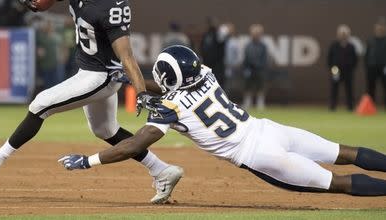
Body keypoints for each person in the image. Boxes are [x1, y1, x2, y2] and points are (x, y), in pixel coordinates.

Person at [0, 0, 183, 204]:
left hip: (100, 75)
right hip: (89, 69)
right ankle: (162, 170)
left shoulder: (111, 4)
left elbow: (127, 56)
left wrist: (141, 93)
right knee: (105, 130)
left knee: (40, 104)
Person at [59, 45, 386, 197]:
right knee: (344, 152)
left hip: (259, 155)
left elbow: (133, 145)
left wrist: (88, 161)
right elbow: (176, 87)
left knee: (336, 183)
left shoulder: (171, 108)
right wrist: (140, 86)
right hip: (269, 129)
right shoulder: (205, 73)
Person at [327, 24, 358, 111]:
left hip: (348, 71)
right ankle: (332, 106)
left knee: (349, 89)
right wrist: (333, 68)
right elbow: (329, 58)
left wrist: (351, 68)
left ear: (348, 35)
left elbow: (355, 59)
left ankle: (350, 106)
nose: (343, 35)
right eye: (341, 33)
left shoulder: (351, 46)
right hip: (336, 70)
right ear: (338, 34)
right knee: (334, 88)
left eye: (345, 34)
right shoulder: (334, 45)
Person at [242, 24, 268, 110]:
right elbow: (246, 58)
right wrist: (246, 69)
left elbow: (264, 59)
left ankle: (260, 103)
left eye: (258, 33)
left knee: (260, 87)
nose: (256, 35)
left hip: (259, 70)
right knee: (248, 87)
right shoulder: (248, 46)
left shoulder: (263, 46)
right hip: (250, 70)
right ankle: (247, 103)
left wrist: (259, 66)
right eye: (254, 33)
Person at [365, 18, 386, 109]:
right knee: (370, 88)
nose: (380, 29)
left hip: (384, 68)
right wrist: (367, 66)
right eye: (378, 27)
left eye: (382, 27)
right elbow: (366, 55)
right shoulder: (370, 40)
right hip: (372, 68)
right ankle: (370, 107)